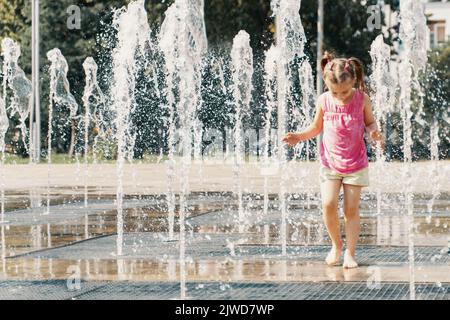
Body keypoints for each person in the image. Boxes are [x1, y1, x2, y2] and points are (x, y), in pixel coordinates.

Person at [282, 52, 384, 268]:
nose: (340, 96)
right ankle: (336, 246)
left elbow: (371, 123)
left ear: (353, 81)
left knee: (351, 210)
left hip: (356, 164)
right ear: (327, 85)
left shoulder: (361, 99)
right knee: (328, 205)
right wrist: (298, 137)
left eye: (345, 91)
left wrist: (375, 133)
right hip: (330, 163)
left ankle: (350, 253)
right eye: (335, 91)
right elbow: (316, 128)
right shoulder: (324, 100)